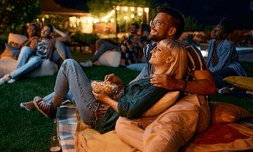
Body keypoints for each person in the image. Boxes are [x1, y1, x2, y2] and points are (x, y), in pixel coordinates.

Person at [82, 7, 217, 152]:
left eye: (157, 23)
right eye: (152, 22)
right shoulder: (153, 52)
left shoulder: (188, 51)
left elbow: (210, 87)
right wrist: (122, 87)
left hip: (189, 102)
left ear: (171, 31)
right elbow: (146, 91)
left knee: (163, 128)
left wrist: (177, 83)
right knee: (123, 123)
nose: (152, 25)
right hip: (164, 104)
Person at [30, 39, 188, 127]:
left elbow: (131, 110)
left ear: (169, 59)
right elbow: (133, 97)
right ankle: (46, 103)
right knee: (74, 88)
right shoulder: (153, 76)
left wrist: (105, 99)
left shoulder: (160, 84)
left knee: (69, 65)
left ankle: (51, 107)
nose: (153, 50)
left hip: (98, 113)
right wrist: (119, 84)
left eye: (158, 50)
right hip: (102, 108)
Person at [0, 23, 71, 85]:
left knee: (36, 58)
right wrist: (30, 42)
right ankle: (16, 76)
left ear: (51, 34)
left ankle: (9, 76)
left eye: (46, 31)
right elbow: (24, 48)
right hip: (31, 57)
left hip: (39, 60)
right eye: (43, 29)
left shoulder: (52, 40)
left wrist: (55, 29)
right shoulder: (36, 39)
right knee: (25, 48)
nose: (43, 32)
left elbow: (67, 38)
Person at [206, 18, 247, 93]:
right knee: (213, 77)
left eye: (218, 30)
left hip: (231, 69)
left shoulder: (228, 45)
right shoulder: (211, 43)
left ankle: (234, 88)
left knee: (212, 77)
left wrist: (208, 73)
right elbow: (209, 60)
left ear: (224, 34)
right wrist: (205, 70)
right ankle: (229, 88)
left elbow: (222, 64)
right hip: (218, 71)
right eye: (215, 28)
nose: (214, 31)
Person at [79, 23, 144, 67]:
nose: (131, 29)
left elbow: (135, 47)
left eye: (133, 28)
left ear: (137, 29)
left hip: (123, 49)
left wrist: (125, 43)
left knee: (104, 46)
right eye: (131, 28)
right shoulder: (128, 36)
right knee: (99, 41)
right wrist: (122, 41)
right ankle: (96, 56)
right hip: (119, 46)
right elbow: (121, 44)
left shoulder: (138, 38)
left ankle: (91, 61)